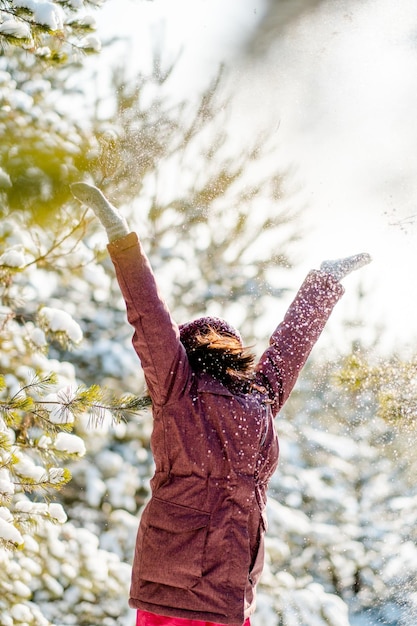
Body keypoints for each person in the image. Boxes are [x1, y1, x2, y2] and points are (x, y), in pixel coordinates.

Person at [71, 182, 371, 626]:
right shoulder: (256, 396)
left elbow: (148, 314)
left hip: (180, 579)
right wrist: (323, 282)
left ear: (186, 350)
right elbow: (291, 343)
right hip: (229, 582)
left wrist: (121, 237)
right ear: (233, 349)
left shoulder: (186, 390)